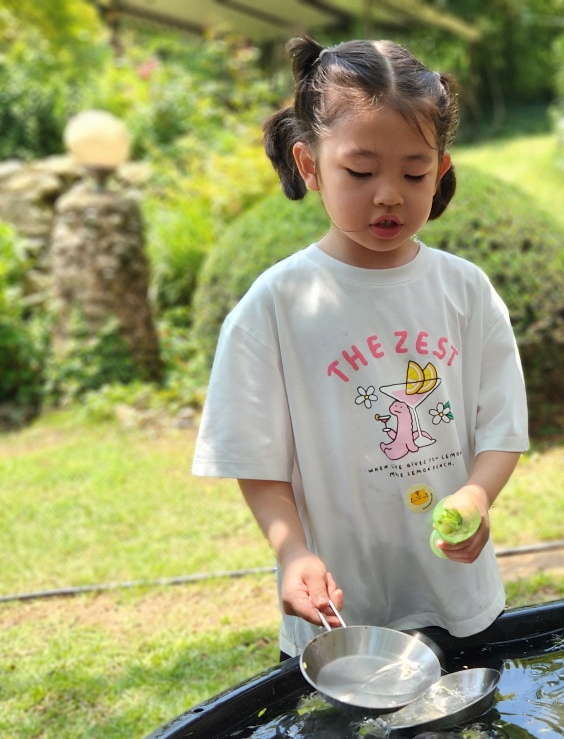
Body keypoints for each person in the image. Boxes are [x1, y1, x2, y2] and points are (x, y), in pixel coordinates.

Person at [192, 36, 528, 661]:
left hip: (459, 596)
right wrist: (293, 551)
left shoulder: (466, 291)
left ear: (442, 170)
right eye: (360, 170)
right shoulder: (275, 306)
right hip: (340, 612)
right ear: (310, 165)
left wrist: (478, 495)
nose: (389, 195)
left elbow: (501, 427)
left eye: (414, 171)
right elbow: (257, 461)